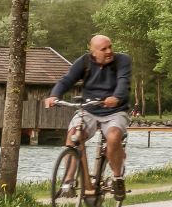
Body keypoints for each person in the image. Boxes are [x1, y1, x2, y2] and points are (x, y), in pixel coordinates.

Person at [45, 34, 132, 197]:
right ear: (93, 52)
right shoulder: (84, 62)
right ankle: (69, 183)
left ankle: (117, 177)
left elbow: (123, 81)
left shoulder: (122, 60)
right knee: (73, 137)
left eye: (110, 47)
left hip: (115, 110)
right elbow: (67, 80)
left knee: (113, 137)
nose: (109, 51)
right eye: (103, 49)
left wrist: (116, 97)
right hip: (89, 109)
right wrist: (54, 95)